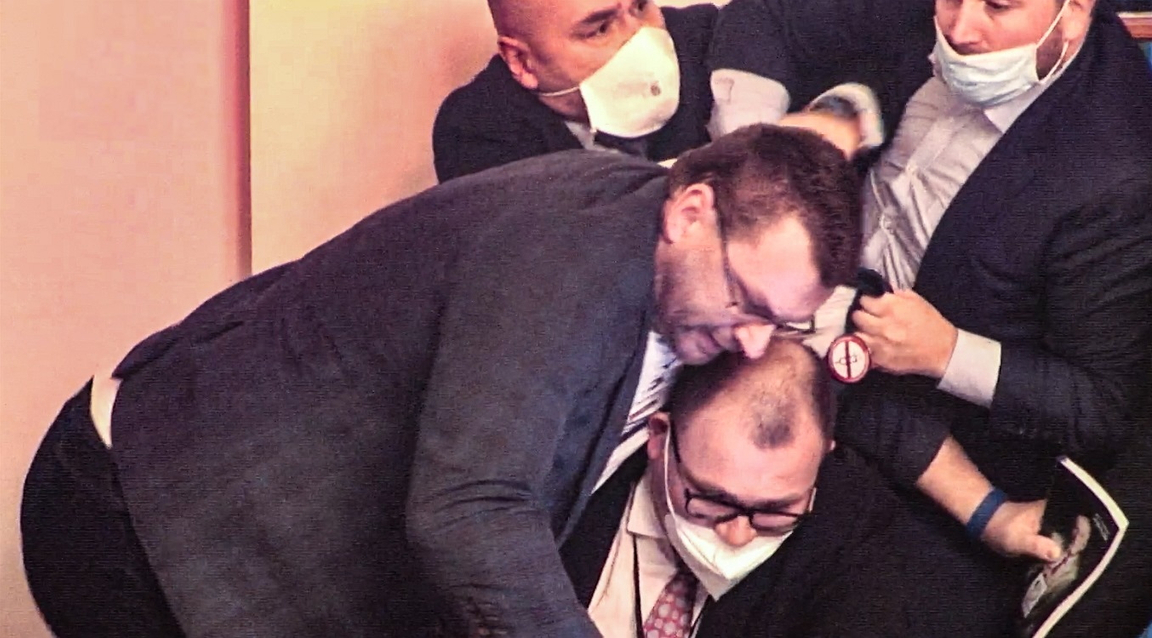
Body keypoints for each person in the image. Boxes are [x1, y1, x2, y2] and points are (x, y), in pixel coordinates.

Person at [20, 124, 863, 638]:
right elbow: (471, 509)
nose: (753, 342)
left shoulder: (665, 237)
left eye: (780, 323)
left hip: (210, 524)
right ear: (691, 212)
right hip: (139, 518)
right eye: (746, 301)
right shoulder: (567, 259)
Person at [706, 0, 1152, 635]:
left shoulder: (1132, 174)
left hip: (921, 454)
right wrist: (753, 171)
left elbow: (1099, 406)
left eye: (998, 6)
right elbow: (765, 16)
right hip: (776, 333)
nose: (961, 30)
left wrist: (947, 353)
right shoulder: (935, 14)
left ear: (1075, 11)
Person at [562, 336, 928, 637]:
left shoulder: (853, 525)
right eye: (712, 500)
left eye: (775, 510)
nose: (737, 535)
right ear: (660, 438)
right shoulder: (570, 488)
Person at [431, 0, 716, 183]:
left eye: (640, 7)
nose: (640, 37)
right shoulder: (477, 132)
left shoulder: (704, 37)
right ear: (522, 62)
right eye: (600, 29)